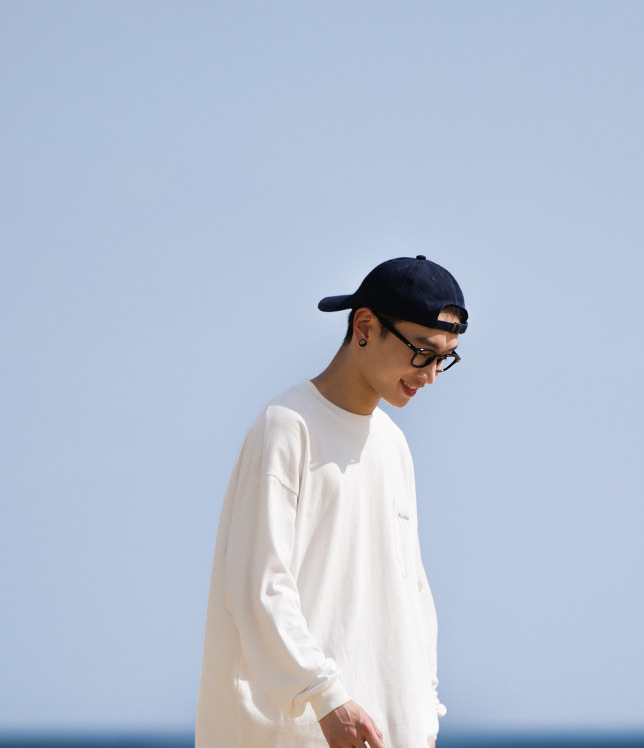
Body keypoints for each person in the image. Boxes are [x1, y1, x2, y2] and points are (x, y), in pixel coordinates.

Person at [195, 255, 469, 748]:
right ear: (364, 327)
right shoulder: (287, 426)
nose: (431, 375)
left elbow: (412, 592)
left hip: (389, 731)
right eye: (422, 352)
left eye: (444, 358)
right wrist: (326, 696)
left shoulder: (393, 444)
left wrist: (423, 711)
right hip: (301, 731)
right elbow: (259, 586)